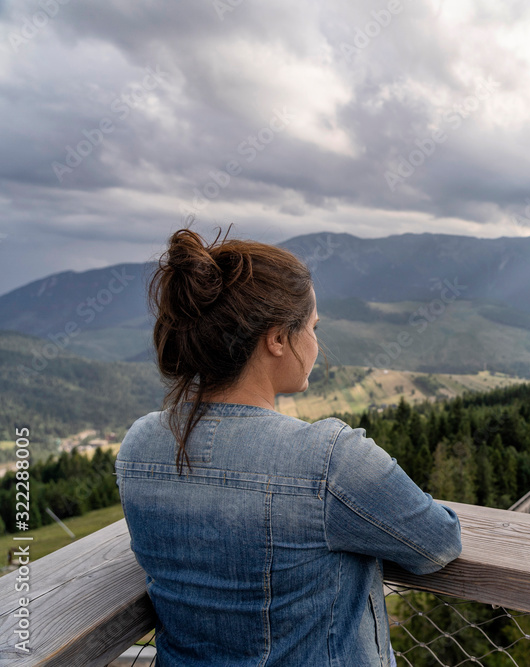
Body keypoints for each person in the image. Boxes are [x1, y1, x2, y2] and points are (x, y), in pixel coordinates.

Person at [116, 226, 462, 666]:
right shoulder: (330, 459)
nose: (317, 344)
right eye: (313, 328)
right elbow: (439, 542)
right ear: (278, 338)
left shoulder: (139, 446)